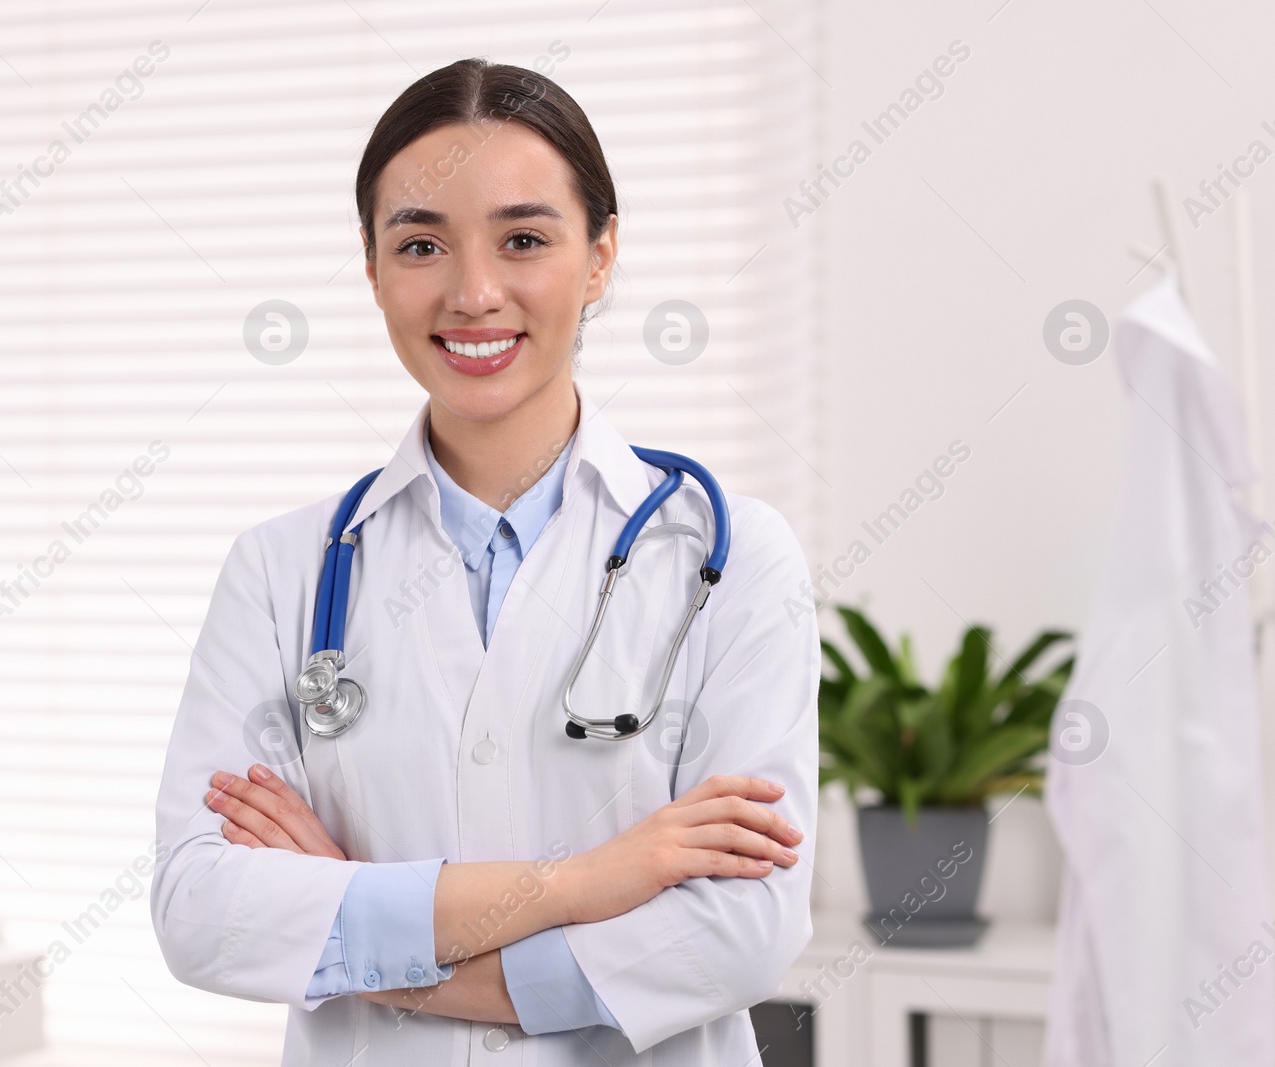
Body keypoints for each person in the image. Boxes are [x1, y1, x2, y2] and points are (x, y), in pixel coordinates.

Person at [151, 56, 820, 1065]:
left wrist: (378, 946)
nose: (472, 292)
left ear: (599, 257)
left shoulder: (730, 559)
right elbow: (201, 908)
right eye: (420, 242)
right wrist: (584, 880)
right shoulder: (280, 572)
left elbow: (741, 933)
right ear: (372, 270)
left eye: (523, 238)